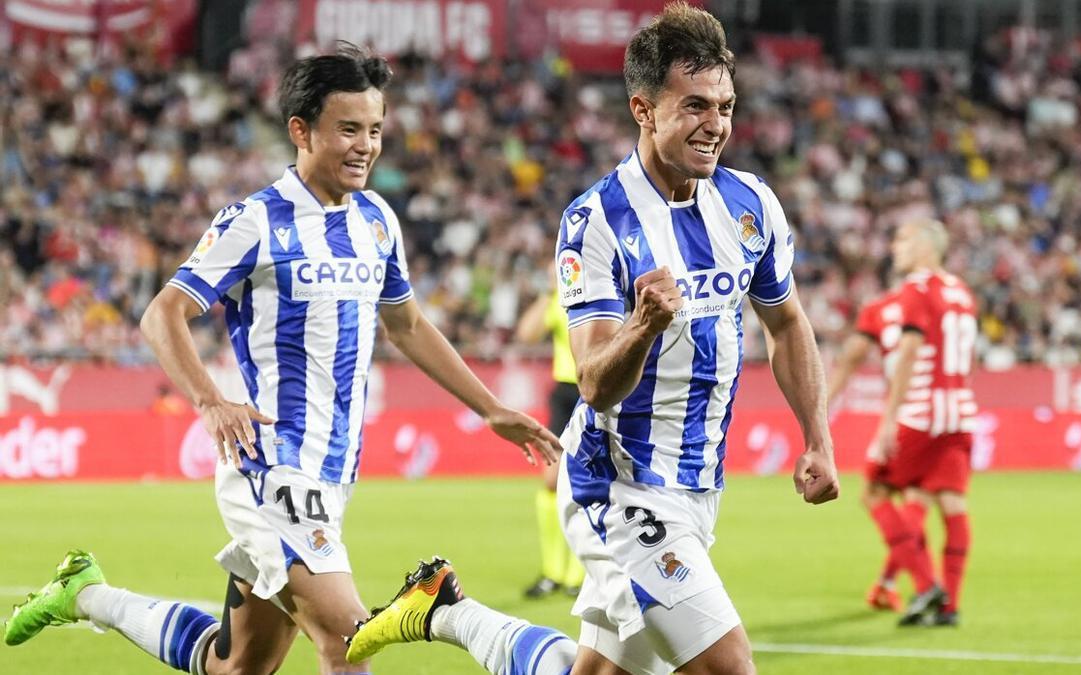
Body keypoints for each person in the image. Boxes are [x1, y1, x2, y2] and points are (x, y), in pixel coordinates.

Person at [3, 43, 559, 674]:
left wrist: (490, 408)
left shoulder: (376, 219)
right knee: (350, 641)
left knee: (236, 665)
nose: (366, 145)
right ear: (302, 130)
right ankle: (443, 613)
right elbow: (162, 314)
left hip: (333, 472)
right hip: (271, 463)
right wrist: (211, 401)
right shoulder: (255, 221)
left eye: (375, 129)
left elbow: (405, 323)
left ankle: (87, 594)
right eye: (348, 129)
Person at [344, 4, 839, 674]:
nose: (716, 124)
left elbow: (786, 322)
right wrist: (643, 324)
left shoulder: (751, 204)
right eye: (694, 105)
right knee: (728, 666)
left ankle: (444, 610)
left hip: (697, 485)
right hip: (620, 485)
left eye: (724, 105)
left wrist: (818, 435)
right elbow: (595, 382)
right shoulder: (596, 221)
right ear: (643, 108)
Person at [870, 218, 978, 627]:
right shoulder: (962, 292)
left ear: (927, 248)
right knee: (949, 503)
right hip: (961, 412)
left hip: (922, 413)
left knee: (876, 493)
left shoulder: (917, 290)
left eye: (906, 241)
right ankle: (949, 606)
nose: (899, 249)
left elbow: (909, 355)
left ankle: (926, 583)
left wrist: (888, 420)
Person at [827, 288, 938, 613]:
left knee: (875, 494)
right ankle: (888, 585)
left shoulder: (878, 309)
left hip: (910, 413)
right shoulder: (943, 298)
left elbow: (851, 357)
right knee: (917, 501)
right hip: (947, 412)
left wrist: (821, 406)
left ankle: (926, 586)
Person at [513, 266, 587, 599]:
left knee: (588, 483)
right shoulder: (560, 299)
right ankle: (553, 571)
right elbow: (526, 334)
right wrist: (550, 291)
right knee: (551, 481)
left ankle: (578, 573)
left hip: (595, 391)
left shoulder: (601, 292)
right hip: (565, 394)